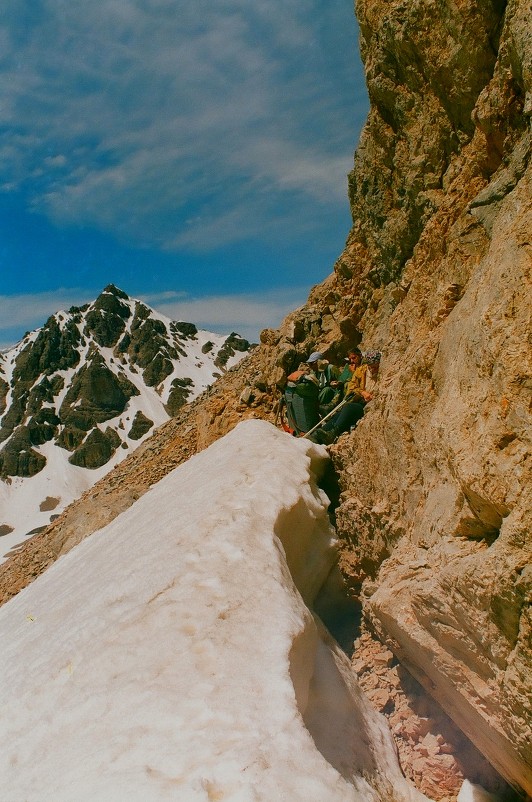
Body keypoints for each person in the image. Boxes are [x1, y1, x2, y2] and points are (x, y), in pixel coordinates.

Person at [284, 352, 322, 435]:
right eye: (309, 364)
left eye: (312, 363)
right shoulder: (313, 373)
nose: (310, 366)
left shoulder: (327, 370)